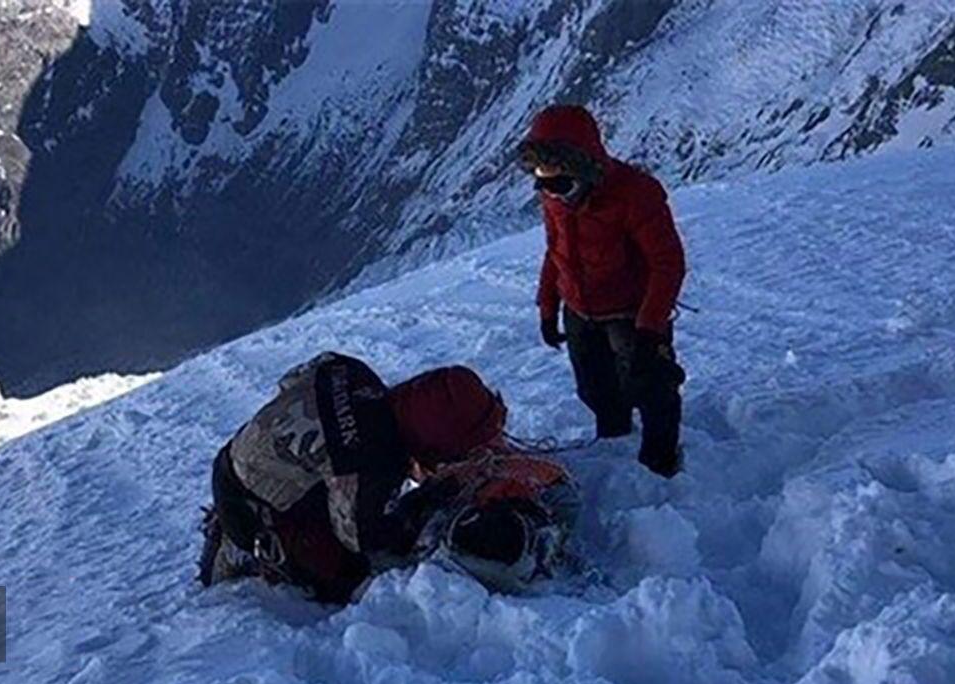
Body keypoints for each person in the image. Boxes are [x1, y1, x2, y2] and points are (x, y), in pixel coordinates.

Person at [198, 352, 508, 603]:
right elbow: (361, 537)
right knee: (346, 577)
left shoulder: (352, 372)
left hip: (238, 456)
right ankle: (247, 550)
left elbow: (292, 380)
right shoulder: (371, 460)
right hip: (248, 502)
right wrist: (434, 494)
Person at [519, 104, 688, 478]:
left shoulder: (636, 194)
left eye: (558, 183)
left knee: (651, 387)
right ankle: (615, 451)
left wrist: (650, 329)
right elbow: (556, 251)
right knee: (597, 392)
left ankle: (662, 468)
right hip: (580, 310)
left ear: (582, 165)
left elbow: (667, 264)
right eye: (540, 182)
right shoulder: (556, 198)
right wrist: (548, 307)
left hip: (631, 312)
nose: (549, 193)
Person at [394, 447, 579, 593]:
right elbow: (567, 499)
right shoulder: (526, 469)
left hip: (477, 548)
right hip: (516, 544)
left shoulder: (448, 484)